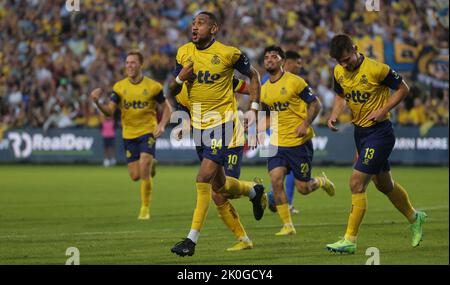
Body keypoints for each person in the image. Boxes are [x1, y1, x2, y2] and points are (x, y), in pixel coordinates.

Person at [170, 11, 266, 257]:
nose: (194, 27)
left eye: (200, 23)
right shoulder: (183, 53)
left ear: (213, 29)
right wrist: (180, 79)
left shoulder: (228, 53)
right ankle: (254, 191)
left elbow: (253, 76)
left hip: (222, 125)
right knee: (220, 187)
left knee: (203, 179)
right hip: (199, 127)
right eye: (193, 23)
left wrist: (254, 108)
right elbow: (173, 89)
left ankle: (191, 240)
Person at [326, 34, 427, 254]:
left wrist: (383, 110)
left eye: (347, 59)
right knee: (384, 185)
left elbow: (403, 89)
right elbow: (340, 95)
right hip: (360, 133)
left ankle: (349, 240)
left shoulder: (377, 69)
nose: (344, 64)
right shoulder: (338, 71)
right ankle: (415, 217)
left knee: (356, 183)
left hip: (380, 134)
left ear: (355, 48)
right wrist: (334, 114)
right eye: (340, 61)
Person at [258, 46, 335, 236]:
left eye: (273, 57)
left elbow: (315, 104)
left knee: (304, 188)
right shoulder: (264, 89)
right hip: (277, 143)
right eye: (266, 57)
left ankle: (321, 181)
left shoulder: (295, 82)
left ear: (282, 61)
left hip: (299, 143)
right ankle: (287, 225)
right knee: (276, 181)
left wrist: (306, 124)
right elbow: (269, 116)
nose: (269, 60)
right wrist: (254, 126)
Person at [90, 51, 172, 220]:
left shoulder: (153, 87)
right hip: (129, 135)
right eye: (127, 63)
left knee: (143, 169)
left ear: (141, 65)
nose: (129, 66)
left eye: (133, 63)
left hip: (148, 132)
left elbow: (167, 108)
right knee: (135, 175)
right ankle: (151, 165)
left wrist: (162, 125)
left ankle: (145, 208)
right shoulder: (119, 87)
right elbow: (109, 112)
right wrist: (97, 102)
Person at [267, 50, 303, 215]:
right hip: (272, 131)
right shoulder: (268, 81)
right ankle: (275, 198)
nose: (300, 66)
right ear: (288, 63)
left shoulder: (296, 82)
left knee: (286, 173)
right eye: (298, 63)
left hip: (292, 133)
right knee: (279, 171)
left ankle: (277, 198)